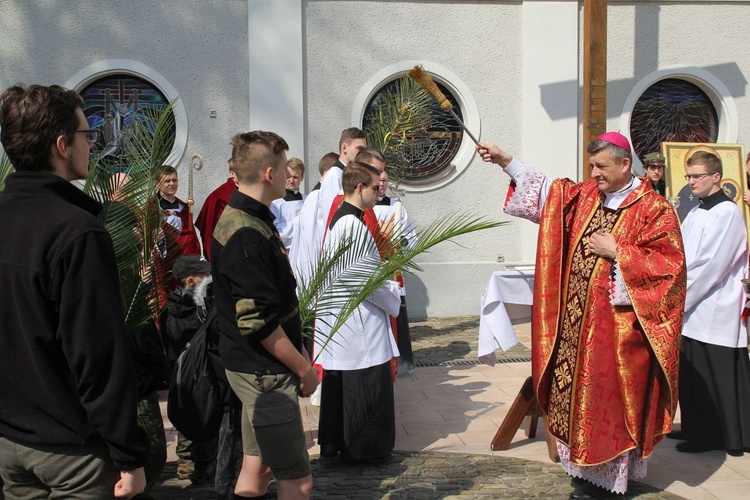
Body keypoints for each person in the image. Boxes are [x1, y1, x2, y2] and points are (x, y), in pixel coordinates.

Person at [477, 132, 686, 499]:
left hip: (619, 337)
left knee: (608, 406)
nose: (594, 174)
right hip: (576, 327)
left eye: (601, 166)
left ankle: (606, 480)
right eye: (591, 166)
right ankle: (584, 472)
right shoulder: (590, 194)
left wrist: (618, 250)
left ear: (625, 165)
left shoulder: (655, 209)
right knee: (576, 399)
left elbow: (670, 270)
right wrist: (504, 159)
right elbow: (549, 197)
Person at [0, 83, 148, 498]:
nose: (94, 143)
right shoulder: (76, 231)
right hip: (70, 451)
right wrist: (129, 457)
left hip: (11, 441)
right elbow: (97, 354)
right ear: (62, 145)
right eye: (88, 134)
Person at [211, 130, 318, 499]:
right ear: (269, 174)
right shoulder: (245, 233)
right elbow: (258, 322)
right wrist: (305, 369)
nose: (292, 173)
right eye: (286, 166)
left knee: (258, 468)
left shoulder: (250, 217)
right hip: (265, 375)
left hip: (257, 371)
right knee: (297, 482)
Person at [315, 162, 401, 463]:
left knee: (343, 385)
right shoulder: (352, 224)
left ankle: (337, 442)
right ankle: (365, 450)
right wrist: (393, 292)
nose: (380, 192)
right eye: (376, 187)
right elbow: (366, 280)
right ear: (359, 187)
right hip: (359, 321)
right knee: (363, 387)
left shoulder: (347, 219)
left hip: (348, 318)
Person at [671, 150, 750, 456]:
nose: (690, 181)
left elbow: (712, 266)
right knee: (692, 373)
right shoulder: (695, 211)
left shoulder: (727, 213)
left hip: (715, 305)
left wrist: (680, 298)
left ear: (716, 177)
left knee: (713, 372)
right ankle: (695, 428)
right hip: (694, 304)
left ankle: (721, 437)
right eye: (688, 176)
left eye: (697, 176)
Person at [165, 254, 219, 483]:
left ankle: (195, 464)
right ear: (189, 281)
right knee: (196, 417)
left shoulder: (196, 302)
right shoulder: (184, 309)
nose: (209, 278)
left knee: (197, 417)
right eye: (204, 275)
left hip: (195, 372)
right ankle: (193, 464)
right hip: (191, 373)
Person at [372, 166, 417, 373]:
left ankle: (403, 362)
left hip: (392, 265)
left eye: (385, 180)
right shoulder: (365, 206)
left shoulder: (396, 206)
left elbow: (410, 236)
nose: (382, 184)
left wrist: (399, 244)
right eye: (379, 180)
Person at [156, 164, 201, 255]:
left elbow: (191, 238)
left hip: (186, 259)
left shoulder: (184, 208)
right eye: (167, 181)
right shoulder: (152, 209)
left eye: (174, 180)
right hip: (165, 260)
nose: (172, 184)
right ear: (157, 184)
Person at [196, 167, 238, 260]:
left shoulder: (252, 190)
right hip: (229, 252)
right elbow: (211, 230)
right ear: (232, 173)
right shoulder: (220, 196)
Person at [270, 157, 306, 253]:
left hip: (304, 250)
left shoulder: (307, 200)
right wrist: (298, 222)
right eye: (288, 176)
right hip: (286, 252)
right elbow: (276, 232)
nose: (291, 180)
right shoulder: (276, 203)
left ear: (302, 177)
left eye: (295, 177)